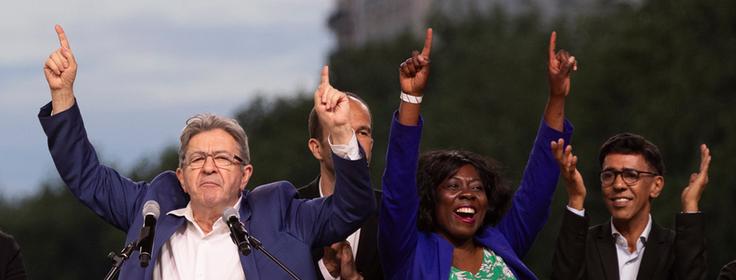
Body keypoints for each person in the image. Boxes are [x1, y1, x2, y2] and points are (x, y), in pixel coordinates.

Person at [39, 24, 374, 279]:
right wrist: (63, 94)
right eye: (197, 159)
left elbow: (353, 207)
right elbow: (86, 177)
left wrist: (343, 131)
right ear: (182, 177)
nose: (209, 167)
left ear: (245, 174)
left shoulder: (283, 213)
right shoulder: (151, 210)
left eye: (223, 158)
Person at [378, 29, 576, 279]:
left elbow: (537, 192)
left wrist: (557, 96)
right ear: (430, 197)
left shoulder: (501, 244)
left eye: (477, 188)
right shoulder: (410, 253)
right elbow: (398, 189)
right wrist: (411, 97)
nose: (468, 194)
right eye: (453, 185)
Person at [552, 133, 711, 280]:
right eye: (609, 175)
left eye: (631, 175)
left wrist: (690, 205)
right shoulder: (583, 246)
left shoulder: (675, 249)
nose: (618, 184)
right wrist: (575, 197)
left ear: (656, 186)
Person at [299, 92, 383, 279]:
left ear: (371, 144)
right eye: (340, 131)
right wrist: (327, 270)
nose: (352, 142)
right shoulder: (289, 211)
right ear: (316, 148)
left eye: (362, 132)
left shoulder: (391, 211)